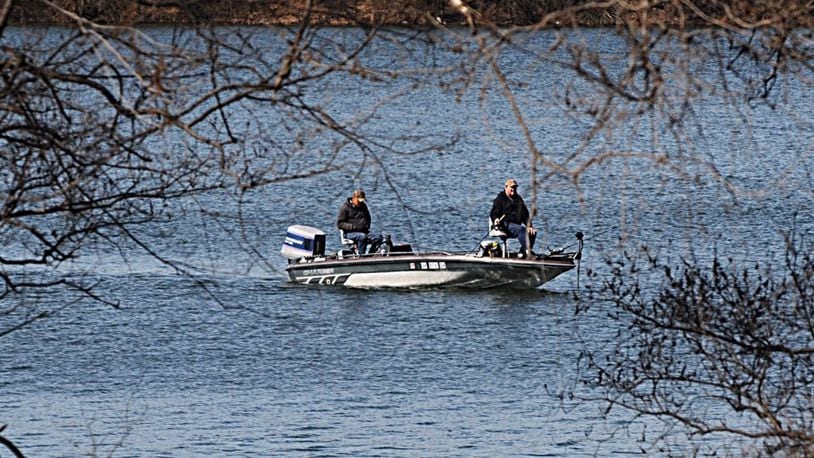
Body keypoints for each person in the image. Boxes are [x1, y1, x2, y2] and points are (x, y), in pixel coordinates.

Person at [489, 178, 537, 257]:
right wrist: (496, 219)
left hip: (515, 225)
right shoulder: (500, 199)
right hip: (504, 225)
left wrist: (530, 226)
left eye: (515, 187)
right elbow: (494, 212)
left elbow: (525, 214)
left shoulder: (518, 199)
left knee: (532, 232)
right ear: (506, 187)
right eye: (511, 187)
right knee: (521, 229)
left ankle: (522, 253)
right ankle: (527, 250)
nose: (513, 189)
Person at [336, 189, 384, 255]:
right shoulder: (345, 208)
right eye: (359, 201)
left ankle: (371, 254)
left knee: (378, 237)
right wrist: (352, 227)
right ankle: (361, 255)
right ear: (354, 198)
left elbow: (368, 217)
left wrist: (366, 226)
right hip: (350, 233)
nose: (360, 203)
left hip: (364, 231)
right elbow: (340, 224)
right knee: (362, 237)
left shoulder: (363, 206)